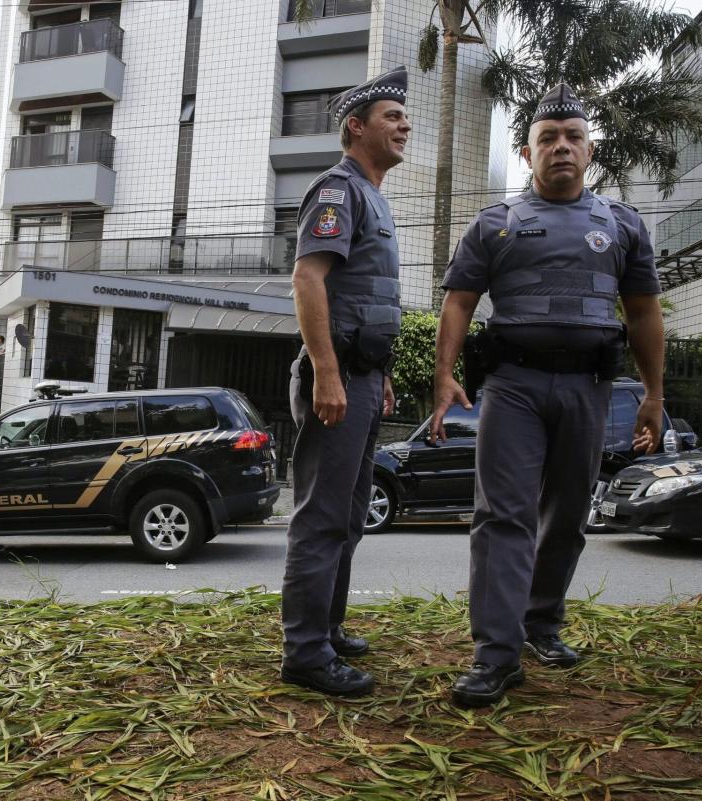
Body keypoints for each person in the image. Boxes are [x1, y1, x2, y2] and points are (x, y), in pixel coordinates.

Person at [432, 84, 665, 708]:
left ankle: (541, 625)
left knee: (567, 515)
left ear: (590, 151)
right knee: (502, 517)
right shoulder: (496, 223)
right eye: (547, 138)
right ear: (528, 151)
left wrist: (652, 394)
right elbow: (458, 301)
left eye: (573, 138)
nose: (561, 147)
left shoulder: (621, 225)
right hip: (513, 387)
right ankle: (495, 656)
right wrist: (444, 374)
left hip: (590, 388)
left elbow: (643, 313)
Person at [279, 66, 410, 698]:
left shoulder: (372, 194)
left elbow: (365, 298)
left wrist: (373, 376)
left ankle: (325, 628)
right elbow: (309, 281)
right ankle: (304, 652)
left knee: (351, 515)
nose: (404, 124)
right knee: (323, 517)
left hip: (362, 376)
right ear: (356, 127)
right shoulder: (338, 190)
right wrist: (328, 372)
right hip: (338, 379)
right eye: (392, 116)